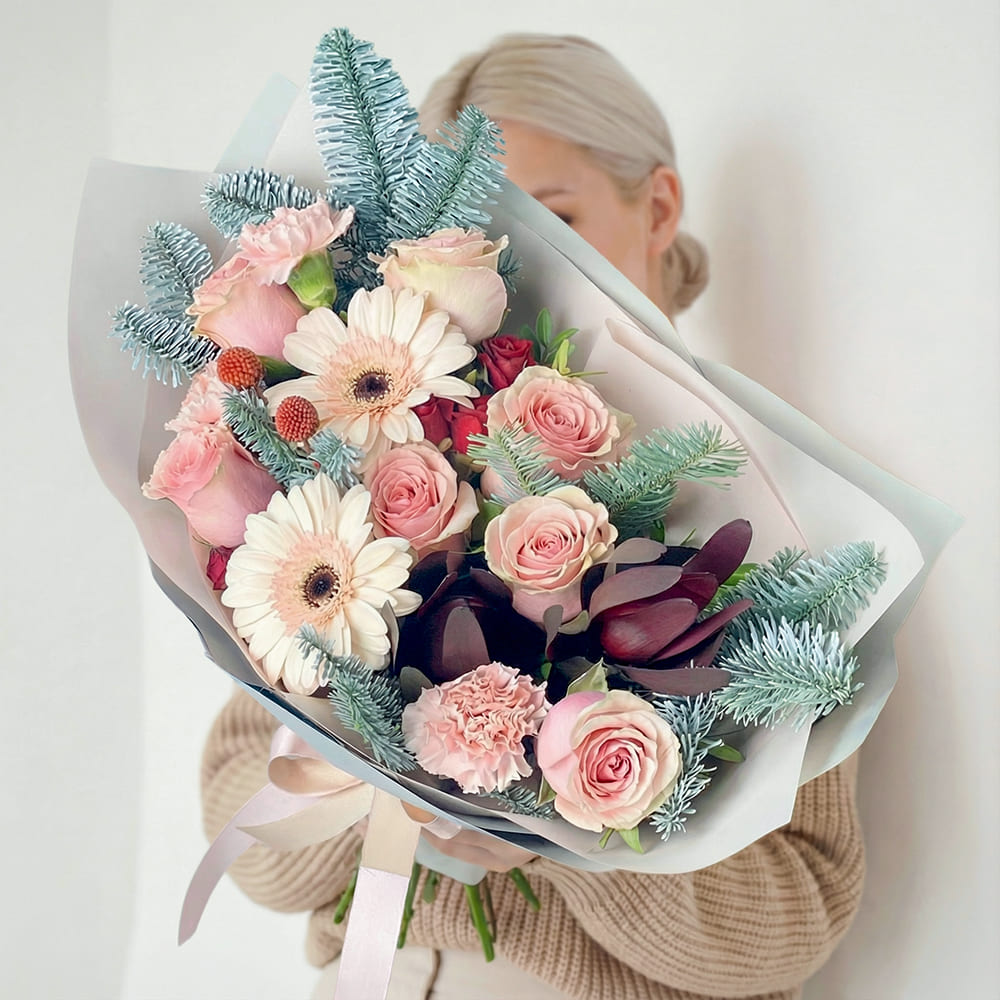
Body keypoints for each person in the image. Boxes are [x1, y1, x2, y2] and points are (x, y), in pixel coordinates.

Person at [201, 32, 865, 1000]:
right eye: (473, 238)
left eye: (553, 217)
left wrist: (559, 825)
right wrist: (364, 752)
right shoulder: (373, 478)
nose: (518, 266)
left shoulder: (781, 516)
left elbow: (789, 927)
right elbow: (259, 860)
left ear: (658, 206)